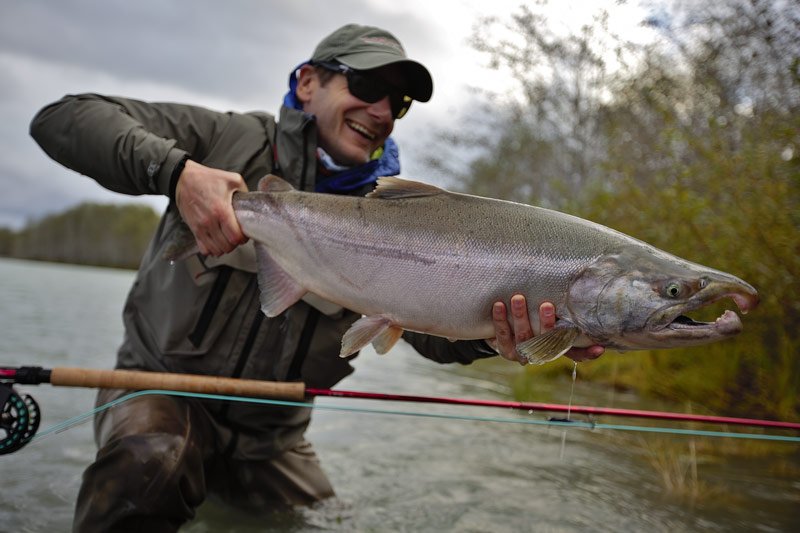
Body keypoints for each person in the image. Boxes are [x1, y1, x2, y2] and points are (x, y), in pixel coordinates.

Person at [30, 23, 603, 532]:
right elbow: (60, 119)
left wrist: (491, 332)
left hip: (271, 440)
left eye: (397, 103)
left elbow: (430, 335)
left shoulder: (403, 213)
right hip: (156, 392)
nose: (381, 110)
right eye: (365, 87)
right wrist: (176, 172)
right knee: (151, 463)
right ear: (308, 83)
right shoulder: (224, 138)